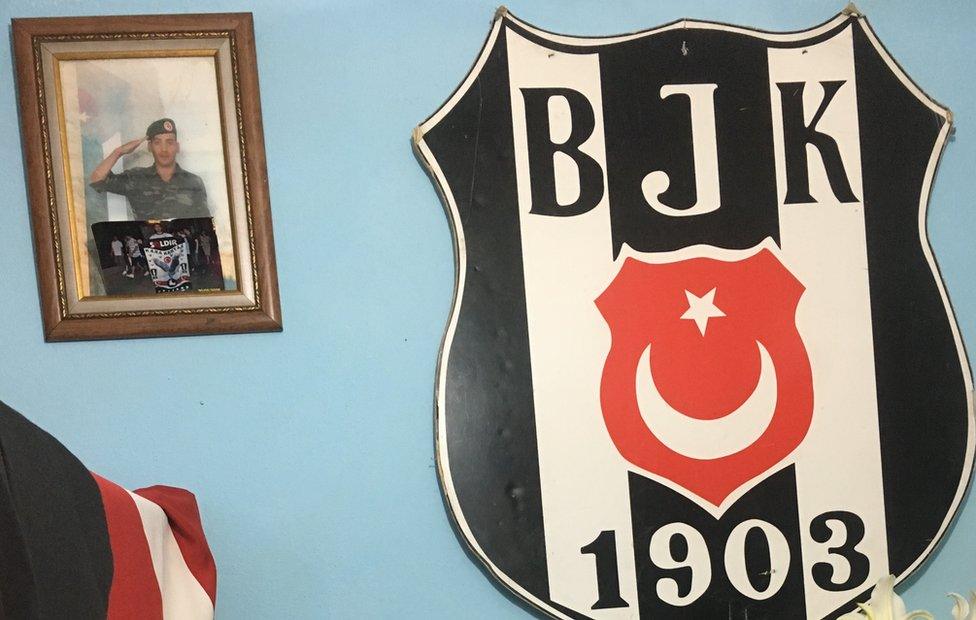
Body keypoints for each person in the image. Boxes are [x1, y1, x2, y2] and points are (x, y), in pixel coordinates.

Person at [89, 118, 209, 220]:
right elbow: (97, 179)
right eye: (157, 143)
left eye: (170, 142)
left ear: (177, 147)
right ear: (149, 147)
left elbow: (205, 224)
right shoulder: (137, 178)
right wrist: (118, 152)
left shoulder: (193, 182)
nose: (164, 149)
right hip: (146, 246)